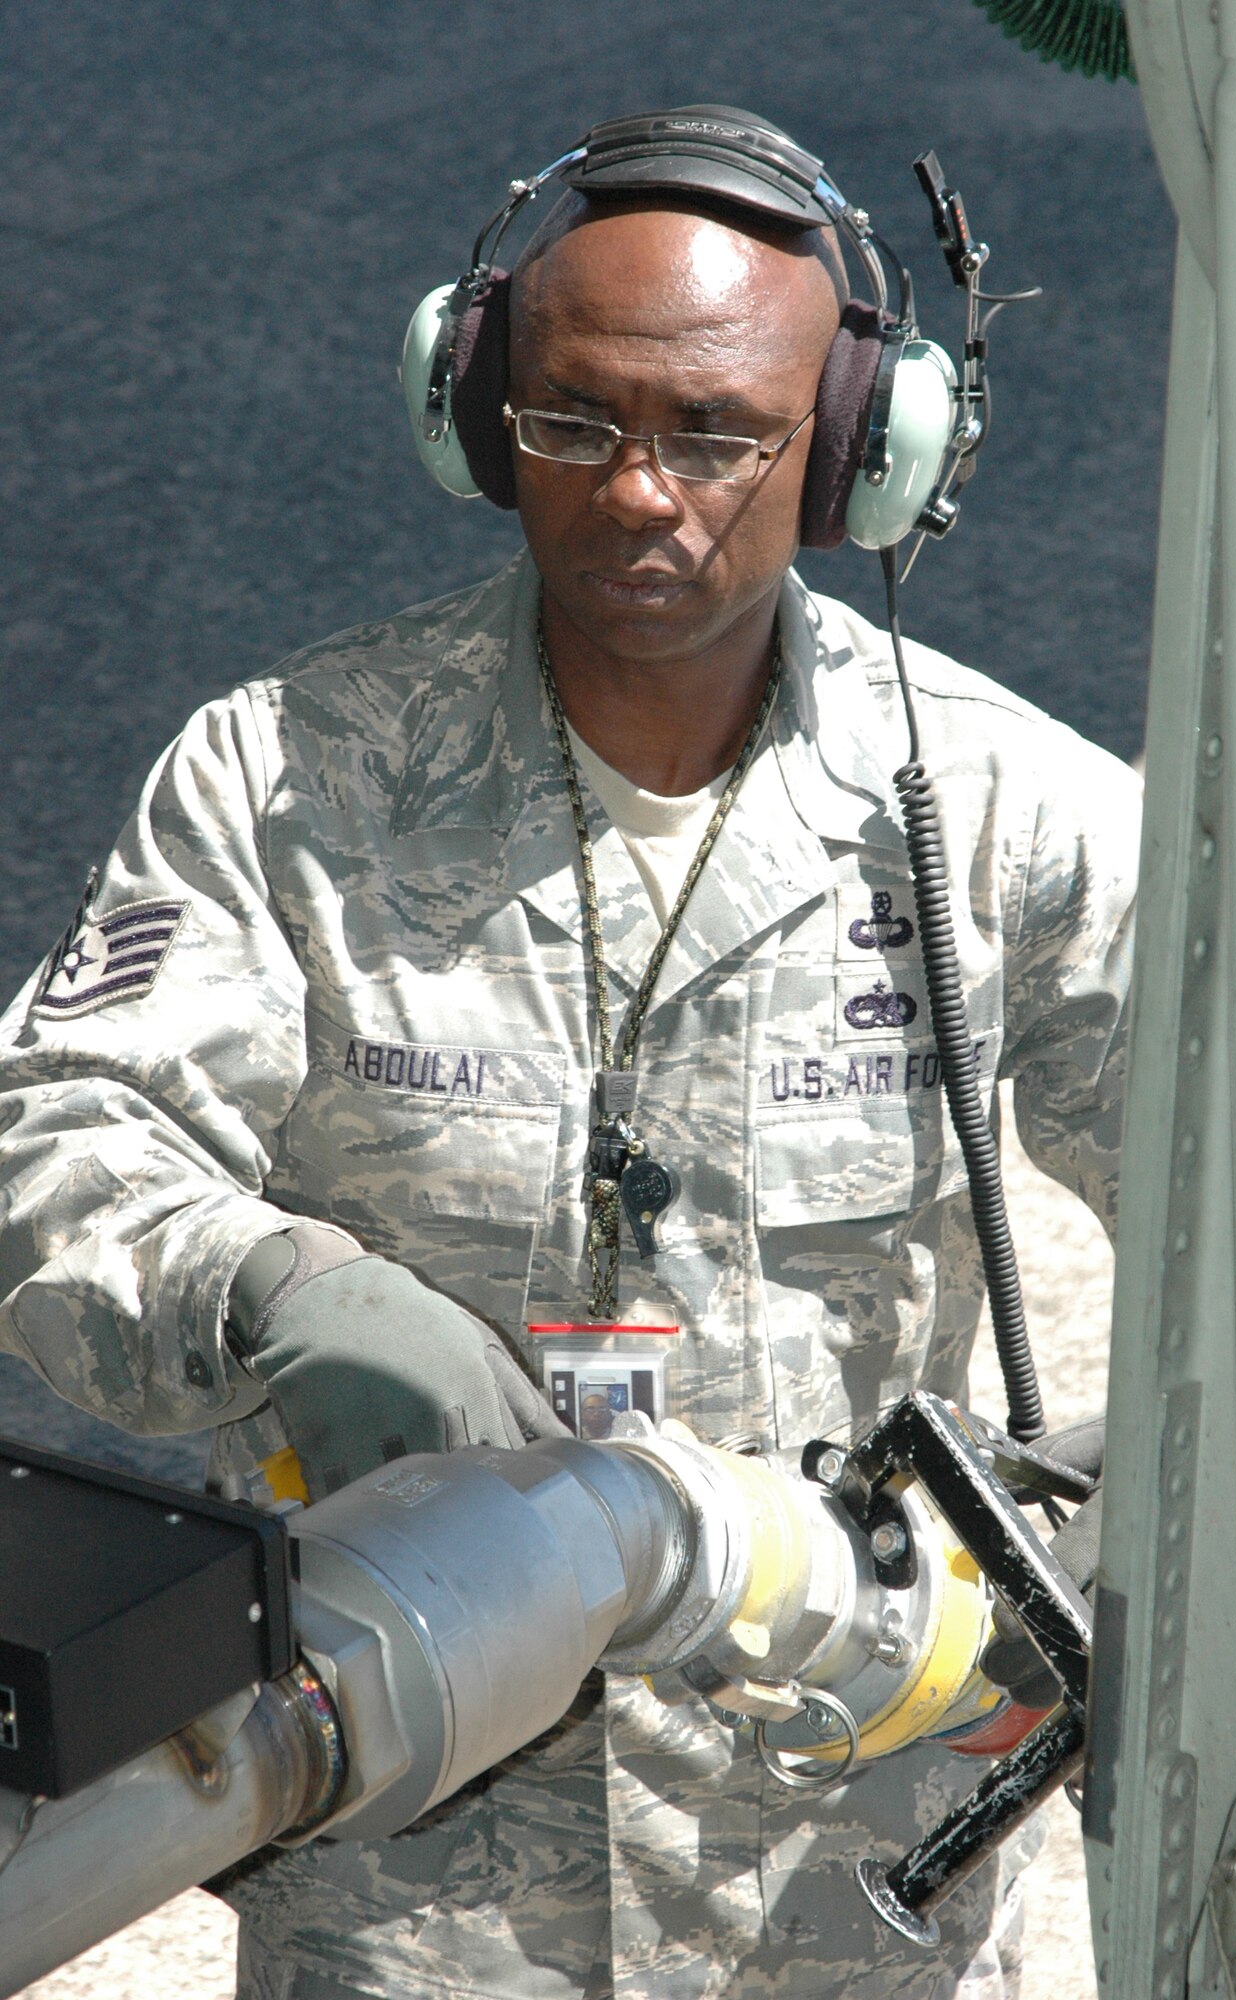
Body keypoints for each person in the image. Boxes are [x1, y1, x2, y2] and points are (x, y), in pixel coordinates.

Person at [0, 106, 1139, 2000]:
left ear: (858, 451)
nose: (635, 491)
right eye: (573, 420)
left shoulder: (1009, 814)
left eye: (717, 433)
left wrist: (1086, 1557)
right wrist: (264, 1281)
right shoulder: (283, 779)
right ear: (472, 414)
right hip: (400, 1887)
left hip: (843, 1905)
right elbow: (49, 1133)